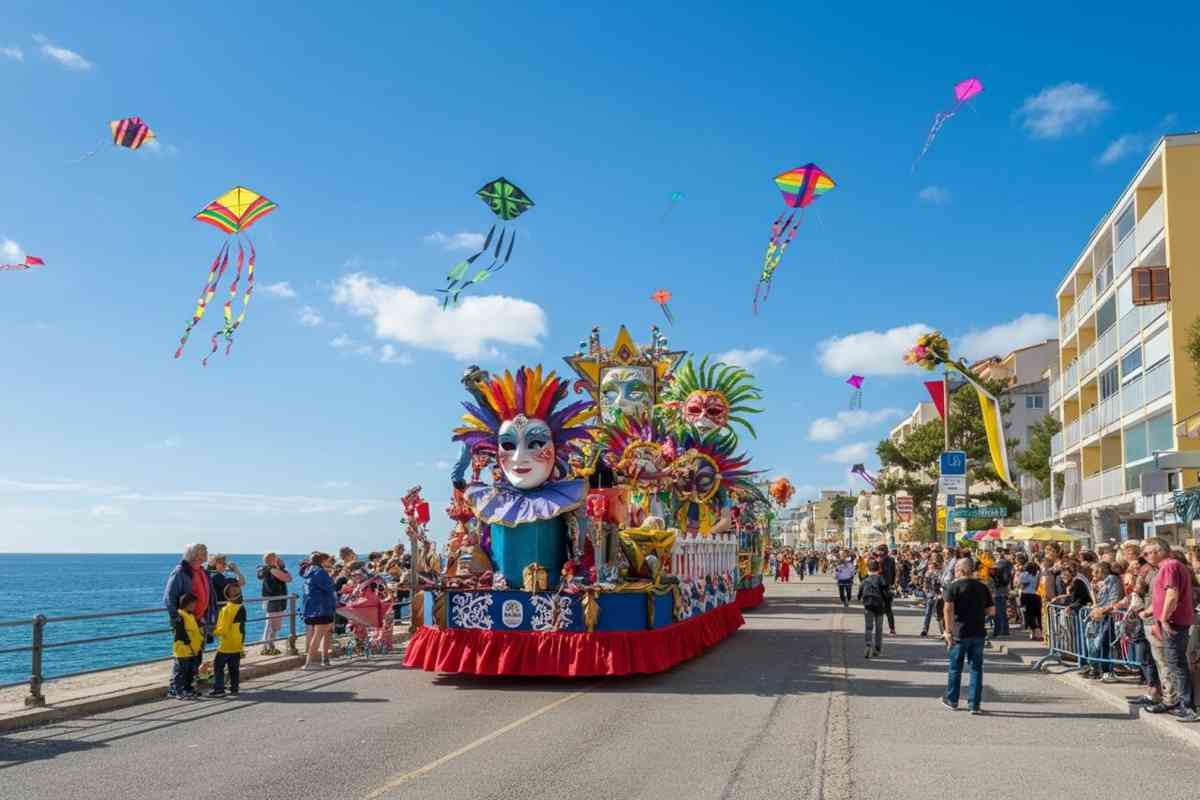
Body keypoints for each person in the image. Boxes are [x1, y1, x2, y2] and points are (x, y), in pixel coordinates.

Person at [1143, 538, 1199, 721]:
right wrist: (1149, 611)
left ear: (1159, 551)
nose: (1145, 556)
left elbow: (1172, 594)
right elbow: (1164, 596)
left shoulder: (1170, 566)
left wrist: (1164, 618)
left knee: (1176, 664)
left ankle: (1187, 706)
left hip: (1174, 622)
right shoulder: (1170, 567)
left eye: (1147, 552)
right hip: (1174, 621)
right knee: (1173, 663)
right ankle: (1176, 702)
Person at [942, 557, 993, 714]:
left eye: (956, 567)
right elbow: (991, 611)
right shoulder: (983, 587)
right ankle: (974, 704)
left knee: (955, 668)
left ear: (961, 570)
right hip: (978, 632)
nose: (954, 570)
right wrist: (978, 613)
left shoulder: (953, 587)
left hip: (959, 633)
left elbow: (948, 609)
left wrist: (947, 631)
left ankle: (952, 700)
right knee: (976, 668)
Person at [163, 543, 214, 696]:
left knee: (195, 657)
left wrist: (210, 616)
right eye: (202, 551)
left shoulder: (202, 571)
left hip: (199, 620)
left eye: (205, 551)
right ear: (194, 554)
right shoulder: (180, 572)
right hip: (185, 620)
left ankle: (188, 687)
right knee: (183, 658)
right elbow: (169, 597)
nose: (205, 554)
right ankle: (175, 688)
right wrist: (176, 619)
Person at [300, 552, 337, 670]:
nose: (329, 562)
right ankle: (309, 662)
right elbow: (329, 587)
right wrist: (332, 577)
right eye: (327, 560)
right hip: (322, 608)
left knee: (325, 632)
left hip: (311, 607)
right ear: (322, 561)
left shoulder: (308, 572)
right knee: (319, 634)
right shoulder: (320, 572)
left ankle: (325, 659)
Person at [211, 584, 246, 696]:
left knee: (218, 666)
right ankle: (234, 688)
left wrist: (211, 632)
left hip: (226, 644)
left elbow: (223, 630)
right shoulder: (241, 607)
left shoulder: (226, 609)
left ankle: (219, 689)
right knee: (234, 668)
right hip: (238, 642)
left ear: (227, 595)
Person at [257, 553, 293, 655]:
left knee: (275, 625)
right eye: (276, 558)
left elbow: (288, 577)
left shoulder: (273, 569)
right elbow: (288, 578)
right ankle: (266, 647)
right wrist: (281, 568)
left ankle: (270, 645)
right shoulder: (270, 569)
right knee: (270, 624)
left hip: (278, 601)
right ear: (271, 560)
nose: (279, 560)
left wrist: (281, 568)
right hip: (273, 601)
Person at [171, 593, 203, 700]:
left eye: (194, 603)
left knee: (190, 672)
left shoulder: (190, 615)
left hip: (192, 649)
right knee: (180, 672)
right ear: (185, 603)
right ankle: (177, 691)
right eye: (192, 603)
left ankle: (187, 689)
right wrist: (189, 643)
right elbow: (180, 632)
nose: (194, 605)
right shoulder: (180, 615)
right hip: (183, 649)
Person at [859, 558, 889, 658]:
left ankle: (868, 645)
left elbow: (859, 594)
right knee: (879, 628)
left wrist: (861, 599)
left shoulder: (865, 580)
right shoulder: (881, 578)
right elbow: (886, 592)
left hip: (868, 606)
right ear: (878, 568)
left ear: (868, 568)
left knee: (868, 627)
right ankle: (877, 648)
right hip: (880, 606)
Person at [990, 549, 1014, 639]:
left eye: (996, 553)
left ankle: (1000, 631)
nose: (994, 555)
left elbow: (996, 577)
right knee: (1001, 611)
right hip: (1002, 590)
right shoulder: (1006, 564)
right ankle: (1003, 630)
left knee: (998, 612)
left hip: (998, 591)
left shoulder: (1000, 564)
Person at [920, 554, 945, 637]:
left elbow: (942, 584)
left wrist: (940, 594)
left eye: (932, 566)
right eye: (930, 566)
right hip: (931, 595)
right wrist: (927, 594)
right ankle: (925, 629)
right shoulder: (927, 574)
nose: (931, 568)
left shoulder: (940, 573)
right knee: (928, 613)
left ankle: (943, 631)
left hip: (939, 595)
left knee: (939, 614)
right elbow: (925, 586)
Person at [1018, 560, 1042, 640]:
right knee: (1035, 615)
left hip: (1026, 596)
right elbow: (1036, 586)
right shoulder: (1036, 575)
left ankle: (1035, 631)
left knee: (1028, 615)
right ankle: (1036, 633)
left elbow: (1022, 586)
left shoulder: (1024, 575)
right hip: (1035, 595)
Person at [876, 545, 897, 635]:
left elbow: (893, 572)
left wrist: (892, 584)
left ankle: (892, 629)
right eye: (879, 551)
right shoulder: (876, 560)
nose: (880, 553)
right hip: (879, 586)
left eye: (881, 551)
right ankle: (879, 628)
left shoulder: (890, 560)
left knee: (888, 609)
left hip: (885, 586)